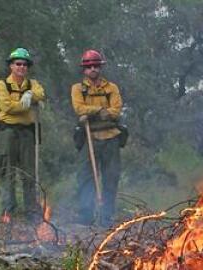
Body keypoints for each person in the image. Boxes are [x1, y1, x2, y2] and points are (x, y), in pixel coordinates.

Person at [71, 49, 123, 226]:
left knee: (111, 177)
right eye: (89, 66)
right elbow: (79, 108)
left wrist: (94, 112)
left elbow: (116, 111)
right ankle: (86, 216)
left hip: (111, 138)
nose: (93, 69)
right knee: (85, 177)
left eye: (96, 66)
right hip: (89, 137)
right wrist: (100, 110)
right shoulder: (78, 89)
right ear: (84, 70)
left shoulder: (111, 88)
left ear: (100, 68)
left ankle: (106, 217)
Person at [0, 47, 45, 221]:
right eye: (18, 64)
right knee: (7, 172)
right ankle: (9, 212)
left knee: (29, 174)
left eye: (24, 64)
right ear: (11, 66)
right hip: (8, 132)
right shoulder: (2, 85)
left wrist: (30, 94)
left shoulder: (32, 84)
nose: (21, 67)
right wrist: (25, 105)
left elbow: (41, 94)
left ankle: (31, 212)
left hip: (27, 133)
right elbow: (6, 107)